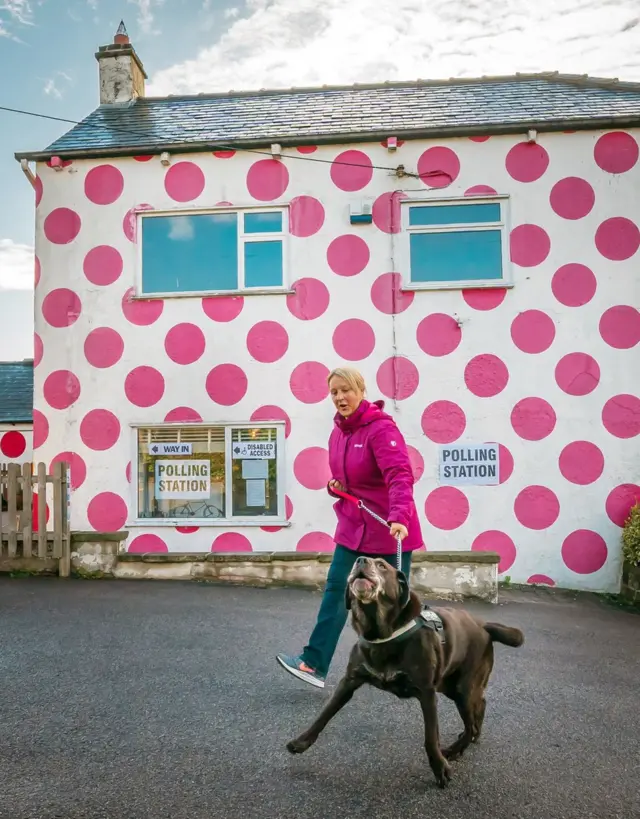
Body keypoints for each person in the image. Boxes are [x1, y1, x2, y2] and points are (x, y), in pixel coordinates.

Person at [276, 366, 423, 689]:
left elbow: (399, 474)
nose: (340, 397)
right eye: (334, 392)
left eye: (346, 390)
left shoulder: (381, 429)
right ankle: (313, 663)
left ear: (361, 391)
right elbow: (351, 478)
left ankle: (412, 666)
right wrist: (336, 485)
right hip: (353, 528)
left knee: (393, 605)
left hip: (388, 529)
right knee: (335, 594)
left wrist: (399, 515)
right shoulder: (339, 432)